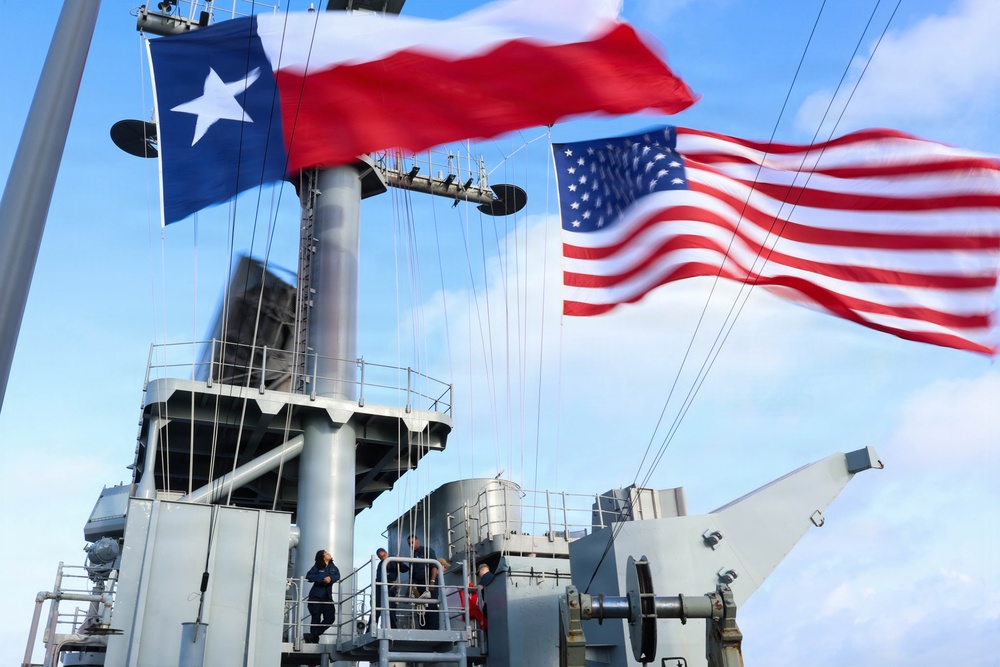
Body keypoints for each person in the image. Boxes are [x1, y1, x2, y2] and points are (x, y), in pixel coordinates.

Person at [304, 549, 340, 643]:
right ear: (323, 557)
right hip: (316, 596)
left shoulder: (332, 566)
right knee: (316, 618)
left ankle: (313, 635)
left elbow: (337, 575)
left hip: (327, 597)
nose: (329, 554)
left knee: (330, 618)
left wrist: (330, 578)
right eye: (326, 553)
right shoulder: (317, 567)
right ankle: (314, 639)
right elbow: (309, 576)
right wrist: (322, 579)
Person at [407, 534, 440, 630]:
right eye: (409, 544)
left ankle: (434, 630)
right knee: (420, 608)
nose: (411, 545)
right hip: (418, 585)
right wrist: (408, 591)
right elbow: (412, 576)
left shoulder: (427, 551)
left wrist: (432, 582)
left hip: (429, 583)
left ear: (418, 541)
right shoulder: (412, 557)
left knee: (431, 607)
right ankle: (424, 629)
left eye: (413, 542)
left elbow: (434, 566)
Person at [375, 547, 408, 629]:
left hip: (391, 589)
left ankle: (393, 627)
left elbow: (405, 569)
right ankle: (371, 628)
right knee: (377, 608)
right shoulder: (381, 565)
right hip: (380, 589)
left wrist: (399, 561)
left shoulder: (393, 561)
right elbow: (379, 578)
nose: (384, 558)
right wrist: (392, 582)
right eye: (381, 557)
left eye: (384, 555)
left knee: (392, 609)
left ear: (386, 553)